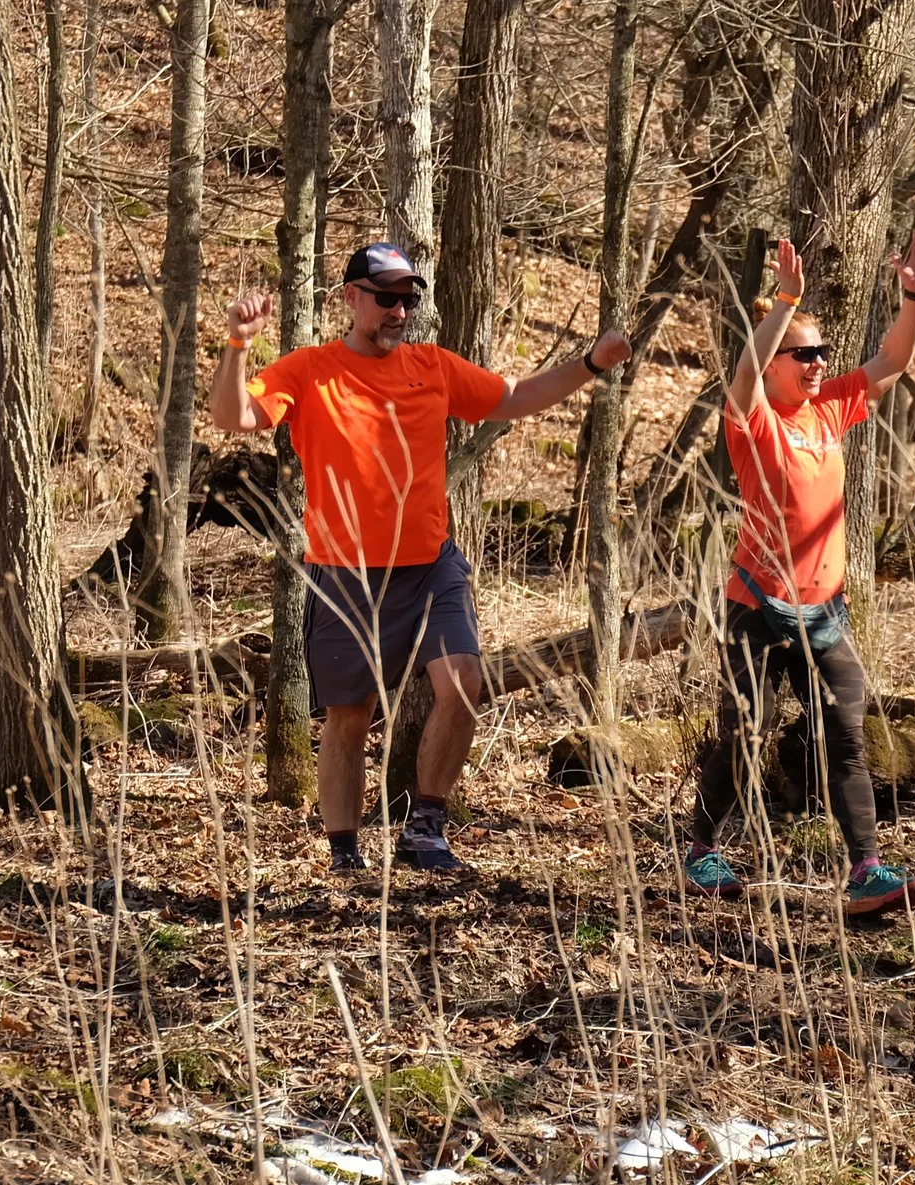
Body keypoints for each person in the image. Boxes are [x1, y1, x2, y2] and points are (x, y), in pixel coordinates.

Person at [212, 242, 632, 875]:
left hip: (431, 565)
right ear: (351, 297)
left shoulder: (432, 366)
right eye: (386, 298)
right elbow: (234, 416)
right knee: (349, 718)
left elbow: (514, 396)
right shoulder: (308, 370)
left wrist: (591, 364)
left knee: (464, 683)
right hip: (344, 573)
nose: (400, 311)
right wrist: (238, 346)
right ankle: (346, 856)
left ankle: (426, 827)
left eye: (409, 299)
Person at [684, 232, 915, 915]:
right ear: (777, 363)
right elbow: (743, 371)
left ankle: (866, 870)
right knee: (748, 728)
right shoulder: (753, 420)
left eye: (821, 352)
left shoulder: (831, 406)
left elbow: (892, 358)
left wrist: (914, 293)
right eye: (803, 353)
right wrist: (784, 303)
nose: (817, 362)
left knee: (848, 733)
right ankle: (699, 850)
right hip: (756, 604)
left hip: (826, 611)